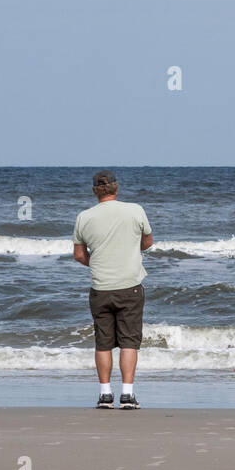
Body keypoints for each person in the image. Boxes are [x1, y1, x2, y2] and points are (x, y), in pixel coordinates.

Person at [72, 170, 153, 410]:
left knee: (103, 342)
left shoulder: (84, 217)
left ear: (95, 191)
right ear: (116, 188)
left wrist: (97, 262)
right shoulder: (135, 210)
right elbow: (147, 242)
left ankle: (105, 394)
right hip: (130, 286)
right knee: (129, 341)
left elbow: (78, 255)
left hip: (101, 287)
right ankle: (127, 395)